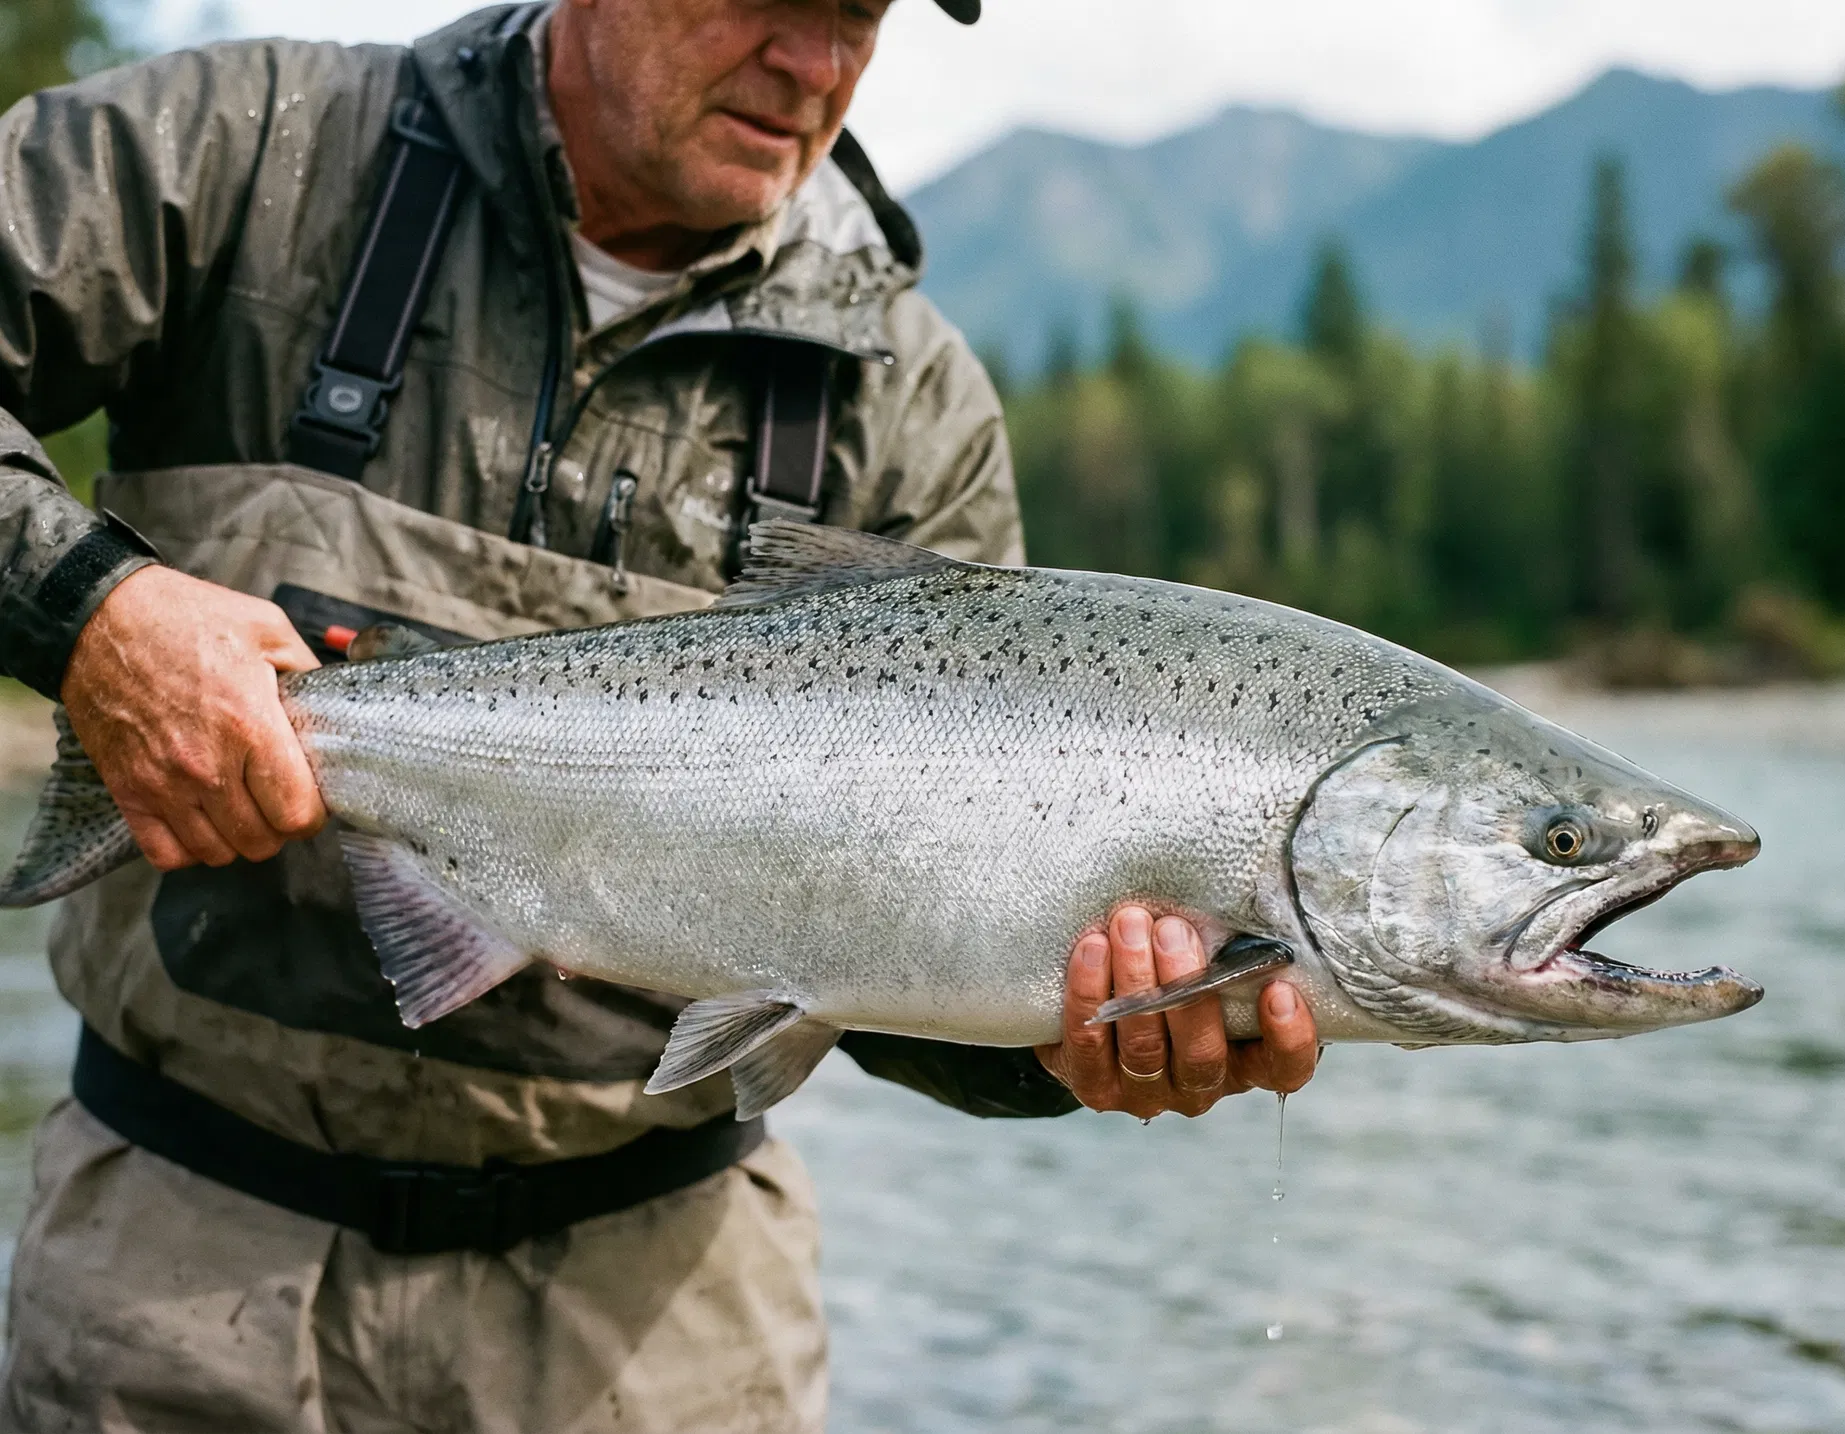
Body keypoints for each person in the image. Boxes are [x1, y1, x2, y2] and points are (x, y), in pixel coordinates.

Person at [0, 0, 1319, 1428]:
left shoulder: (910, 402)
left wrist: (1074, 1044)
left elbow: (902, 984)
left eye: (859, 14)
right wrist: (89, 613)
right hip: (178, 1279)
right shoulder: (249, 155)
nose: (814, 65)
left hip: (661, 1332)